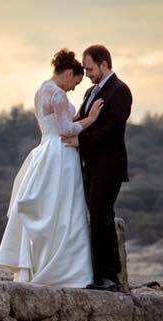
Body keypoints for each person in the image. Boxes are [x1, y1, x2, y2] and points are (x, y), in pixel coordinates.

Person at [0, 49, 102, 288]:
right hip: (61, 153)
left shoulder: (41, 90)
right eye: (75, 81)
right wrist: (91, 118)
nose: (73, 88)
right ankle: (62, 268)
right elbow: (67, 129)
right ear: (67, 73)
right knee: (64, 209)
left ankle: (37, 262)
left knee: (49, 206)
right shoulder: (59, 96)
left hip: (44, 148)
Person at [63, 44, 133, 292]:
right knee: (96, 217)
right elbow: (84, 121)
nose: (88, 73)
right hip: (89, 166)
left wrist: (80, 140)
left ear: (104, 64)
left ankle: (109, 277)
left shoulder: (121, 91)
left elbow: (112, 130)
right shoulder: (91, 92)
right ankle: (98, 273)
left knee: (102, 216)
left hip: (108, 167)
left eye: (90, 68)